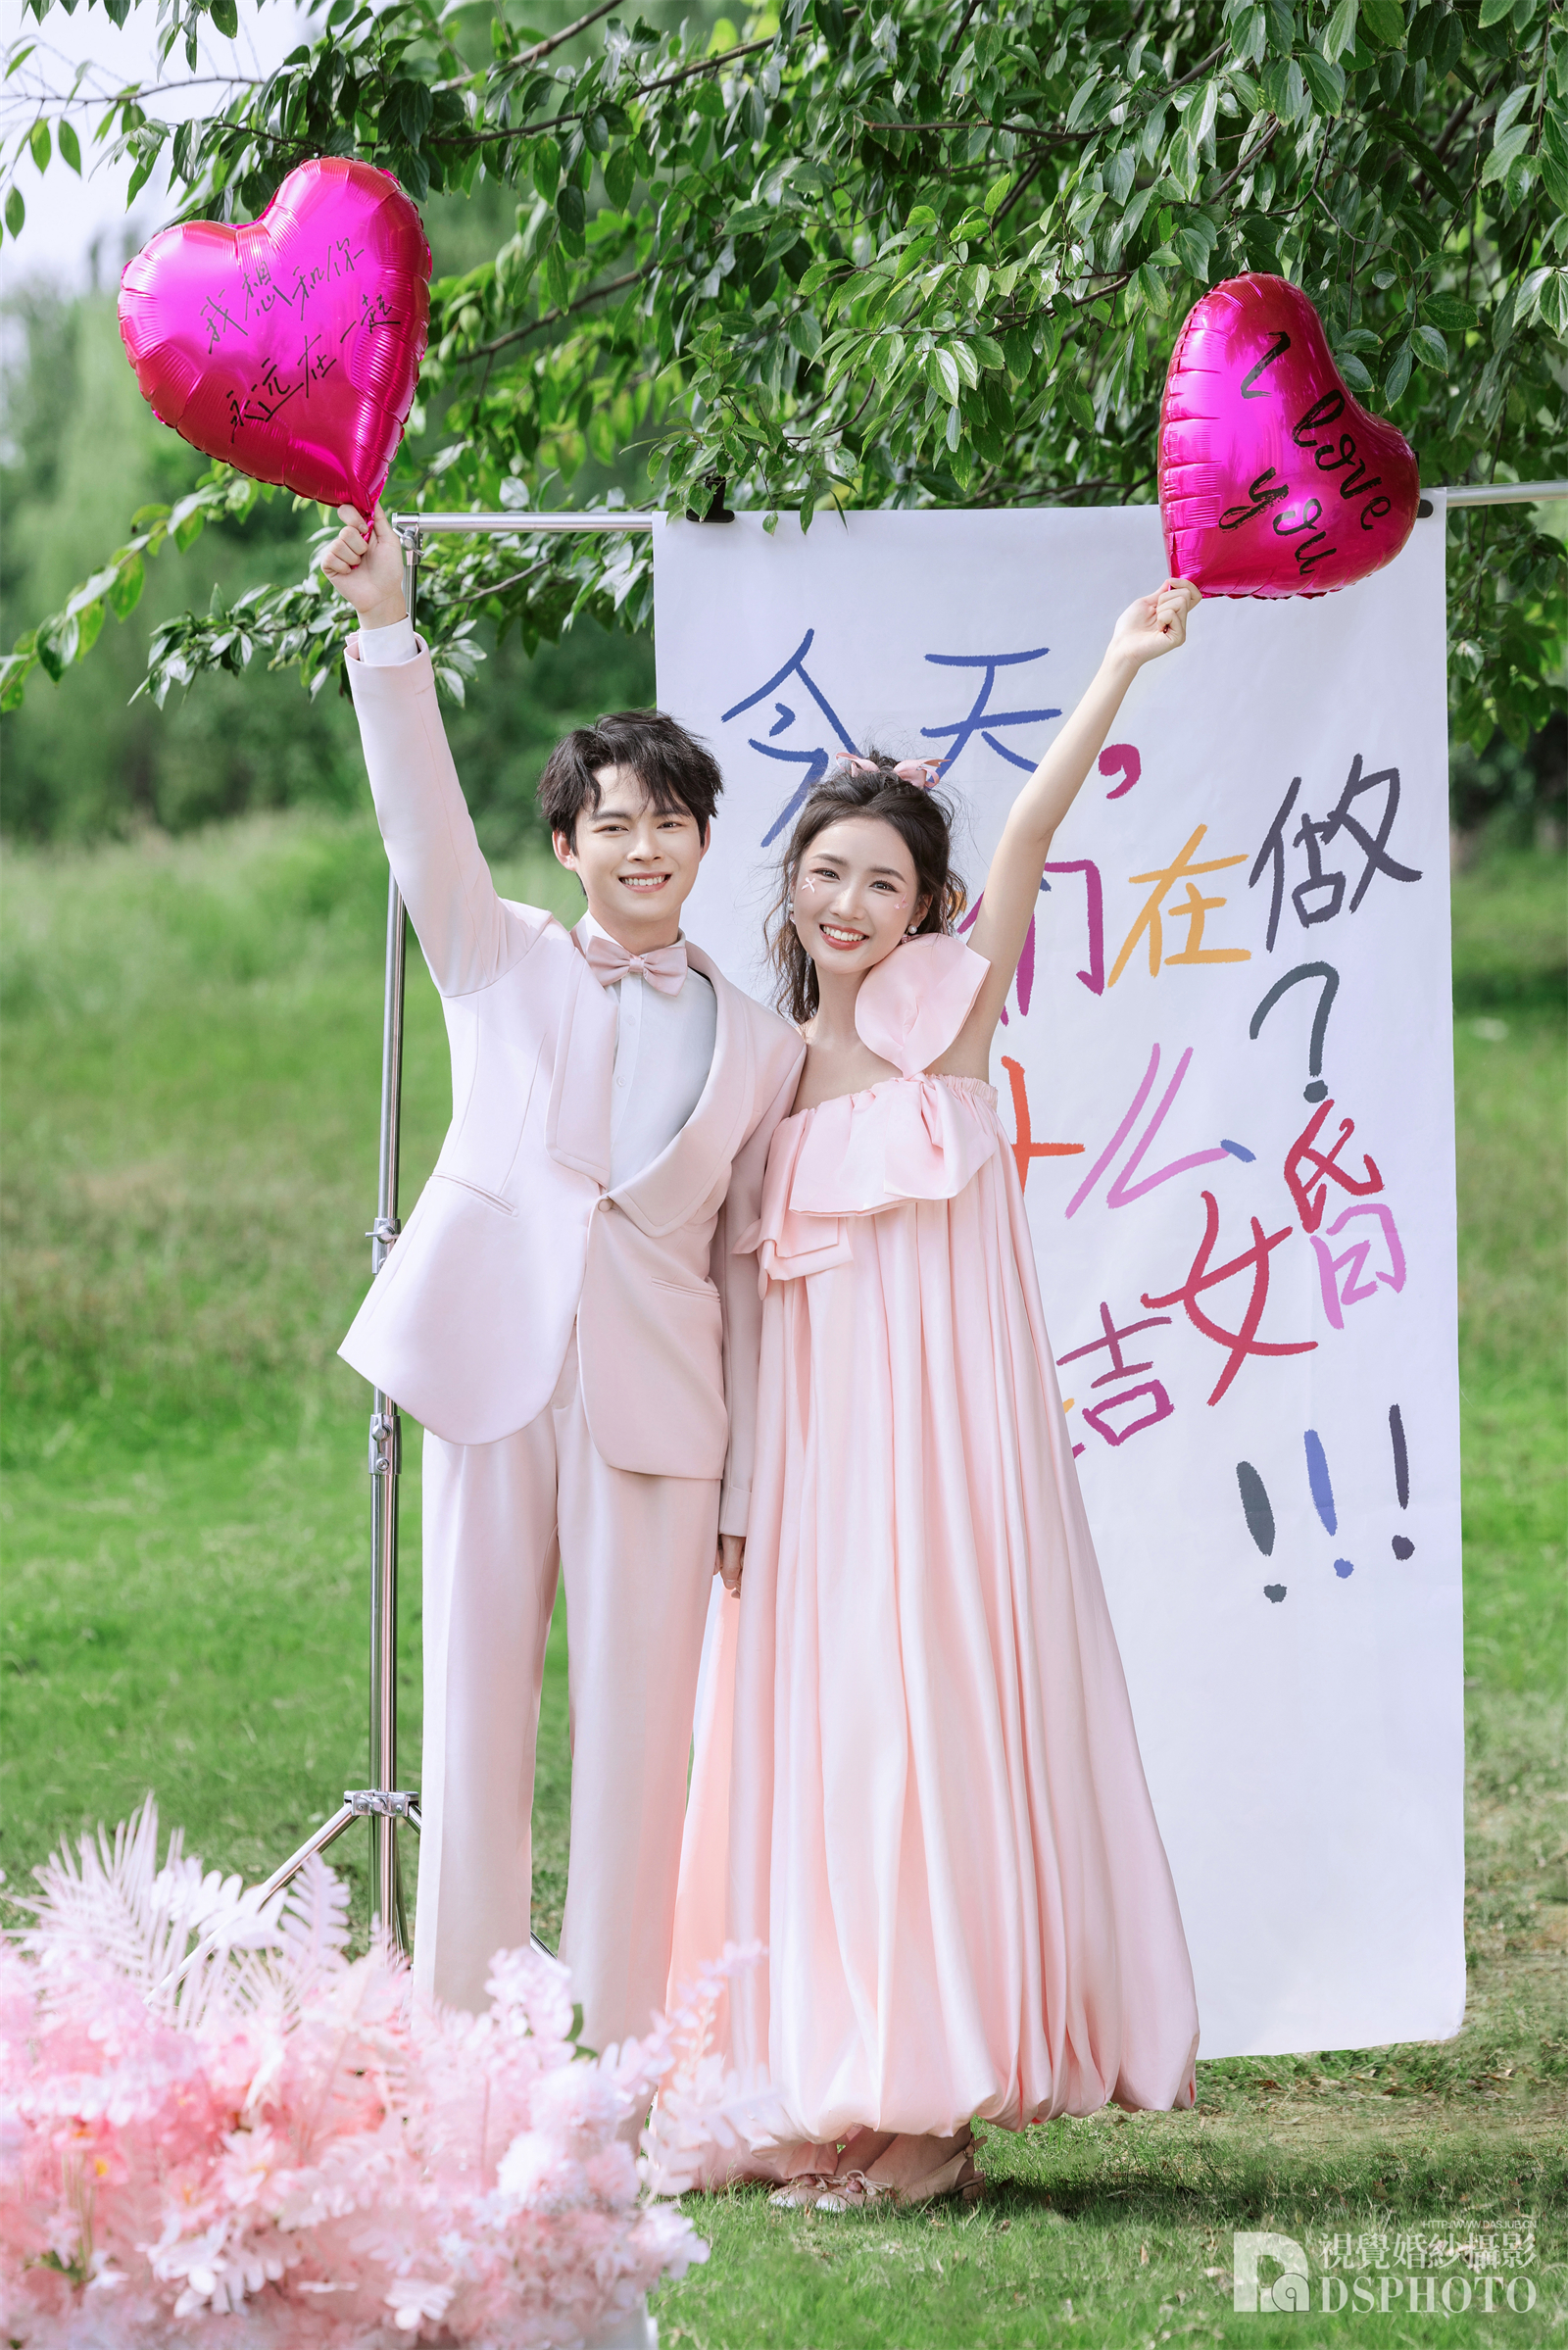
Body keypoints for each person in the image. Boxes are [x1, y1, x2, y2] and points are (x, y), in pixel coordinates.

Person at [668, 577, 1205, 2208]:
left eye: (882, 881)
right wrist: (738, 1487)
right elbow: (738, 1294)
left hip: (947, 1457)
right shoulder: (763, 1065)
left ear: (928, 907)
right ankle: (840, 2077)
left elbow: (1033, 829)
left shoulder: (945, 1020)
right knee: (825, 1749)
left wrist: (1115, 665)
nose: (848, 903)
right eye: (826, 872)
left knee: (926, 1735)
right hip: (815, 1461)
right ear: (791, 885)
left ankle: (933, 2112)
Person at [321, 505, 805, 2054]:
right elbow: (421, 824)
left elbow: (747, 1272)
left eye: (669, 821)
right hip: (490, 1372)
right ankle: (461, 2045)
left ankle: (619, 2063)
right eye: (614, 824)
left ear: (704, 839)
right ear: (567, 846)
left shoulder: (767, 1044)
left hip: (662, 1418)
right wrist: (387, 628)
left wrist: (747, 1486)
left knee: (639, 1744)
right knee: (471, 1718)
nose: (643, 846)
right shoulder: (501, 956)